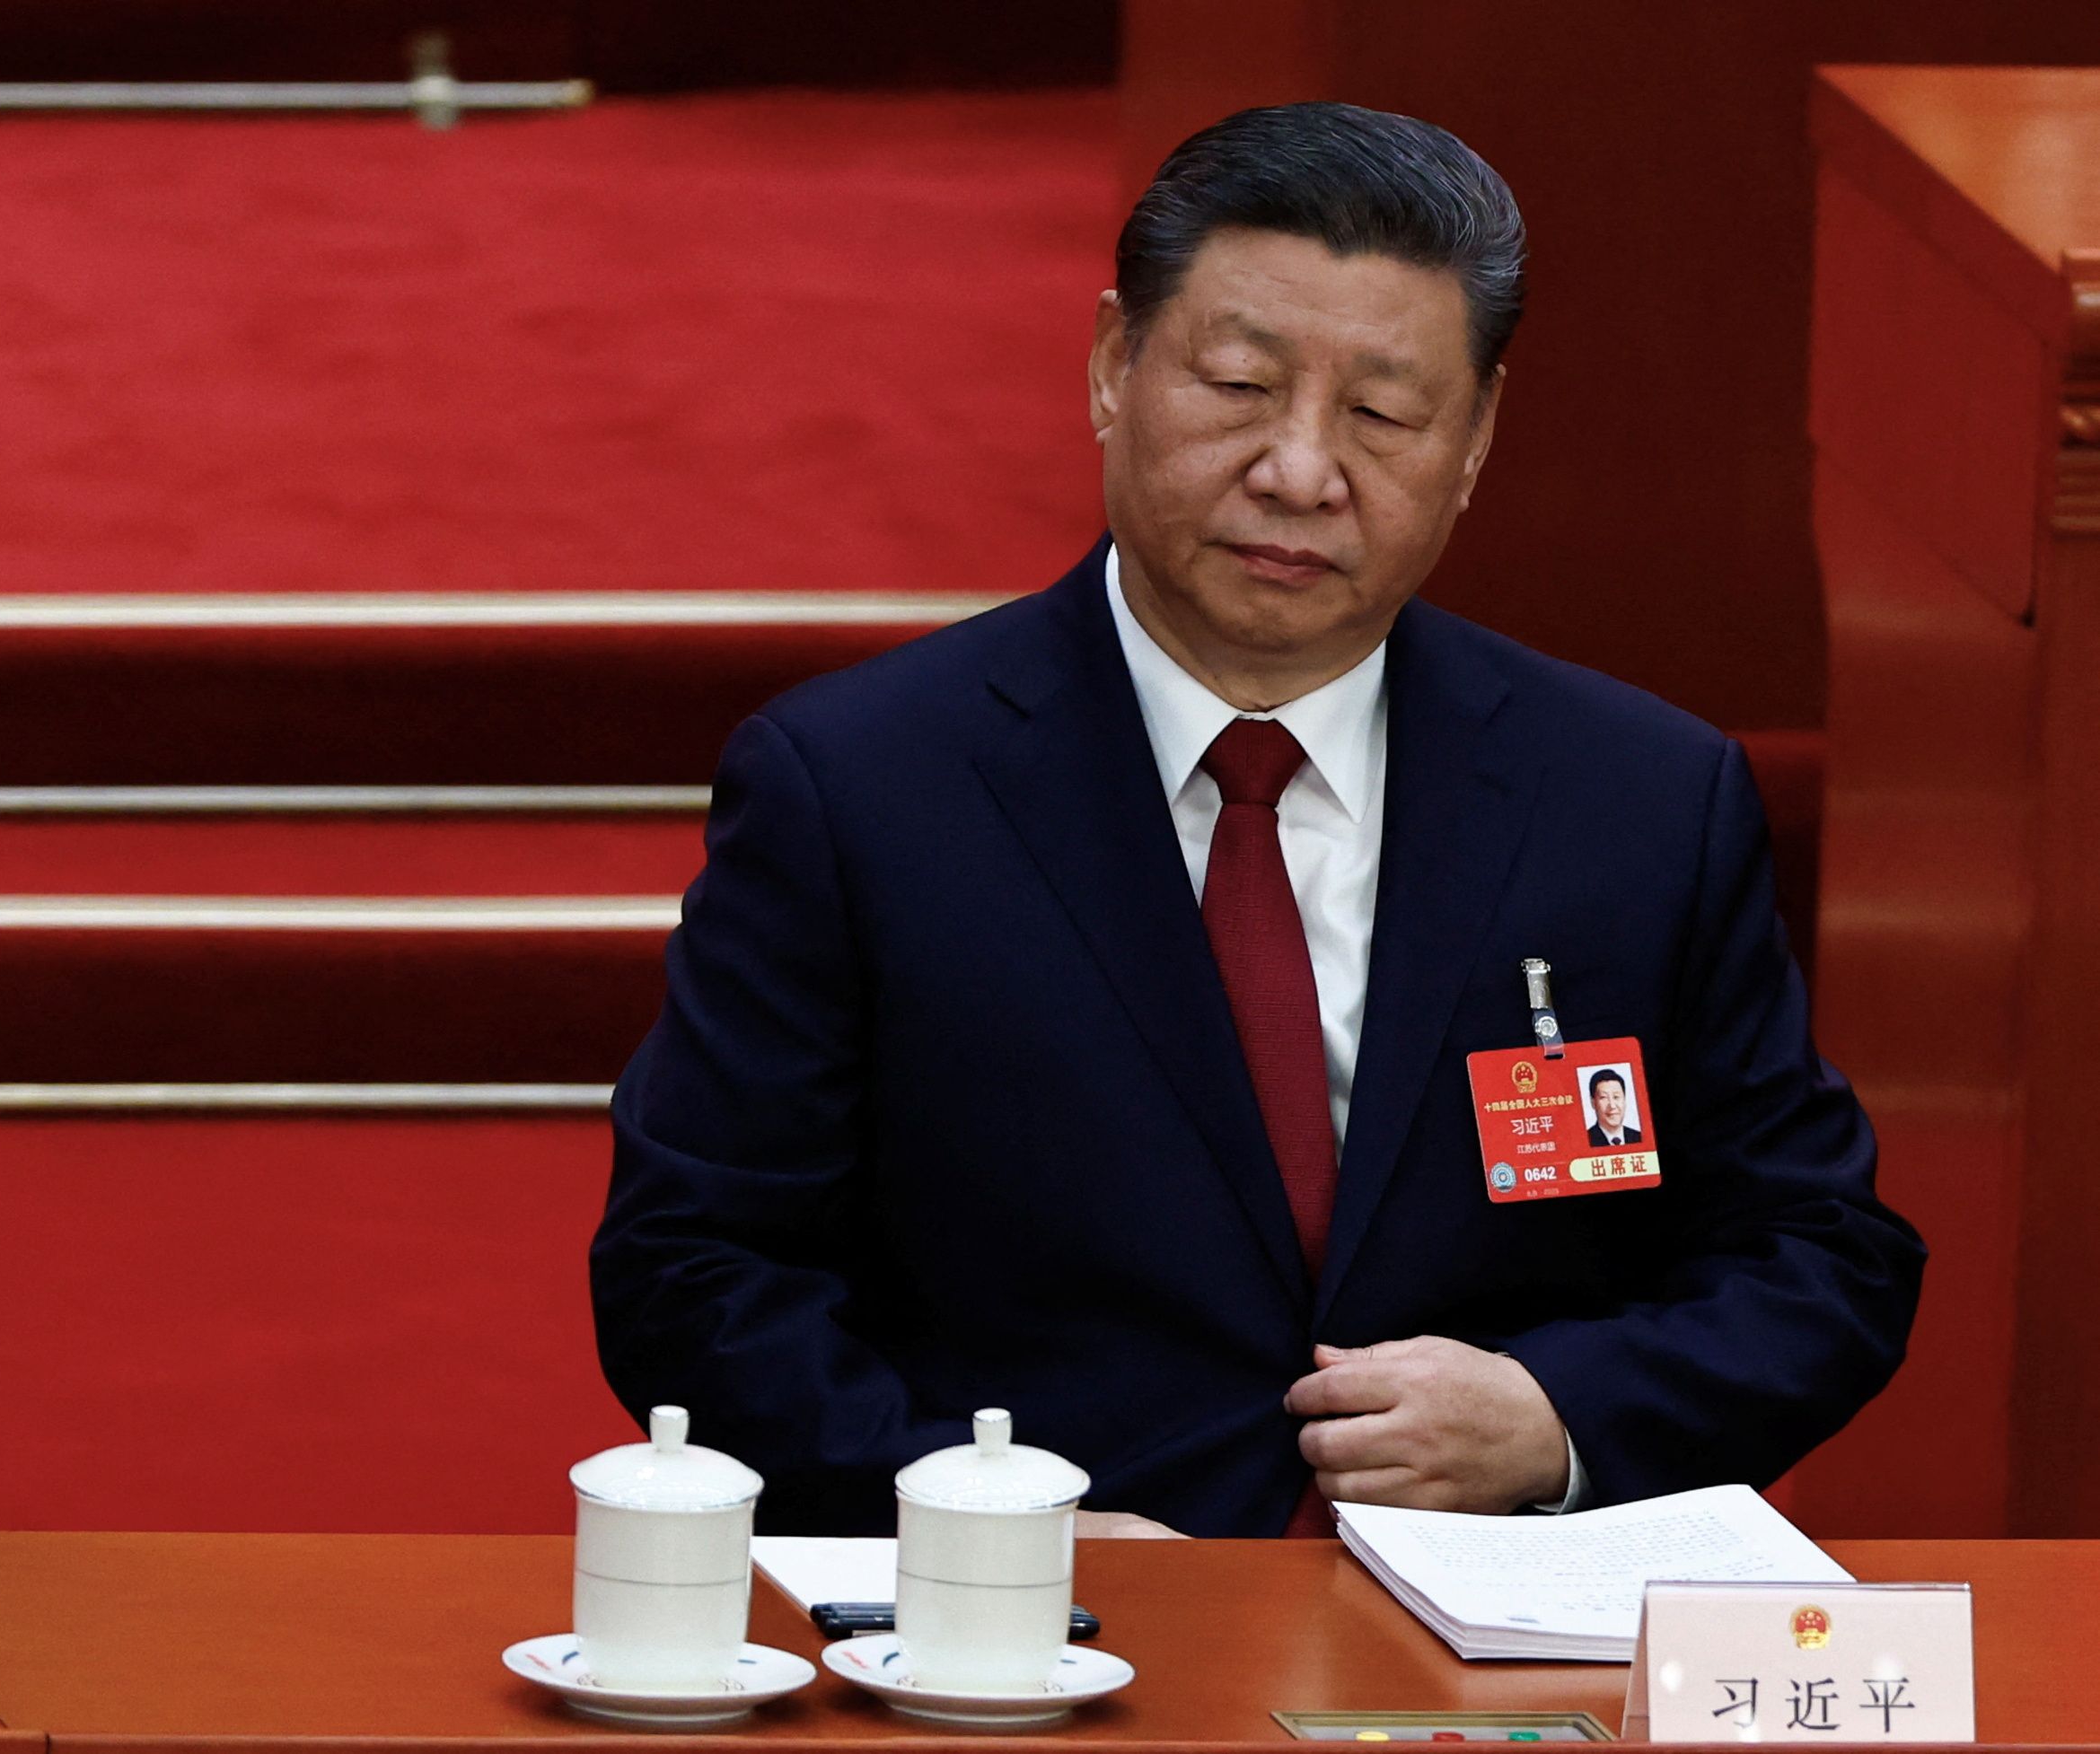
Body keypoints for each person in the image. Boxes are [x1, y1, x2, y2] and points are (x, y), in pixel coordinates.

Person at [591, 102, 1923, 1538]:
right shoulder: (857, 786)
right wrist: (980, 1520)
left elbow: (1819, 1250)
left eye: (1381, 415)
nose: (1299, 469)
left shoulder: (1637, 795)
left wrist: (1559, 1416)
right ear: (1113, 366)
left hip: (1491, 1638)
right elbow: (694, 1263)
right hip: (1029, 1640)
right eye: (1236, 384)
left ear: (1473, 440)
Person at [1586, 1068, 1642, 1148]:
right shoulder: (1587, 1141)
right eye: (1604, 1097)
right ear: (1593, 1103)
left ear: (1624, 1100)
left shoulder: (1639, 1137)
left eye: (1616, 1097)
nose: (1612, 1106)